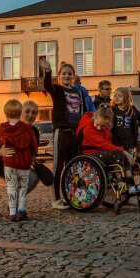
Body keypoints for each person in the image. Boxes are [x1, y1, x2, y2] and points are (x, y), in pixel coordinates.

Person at [0, 101, 41, 218]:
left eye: (34, 113)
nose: (30, 115)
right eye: (27, 111)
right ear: (20, 113)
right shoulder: (6, 128)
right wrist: (1, 152)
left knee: (33, 177)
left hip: (17, 167)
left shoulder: (34, 132)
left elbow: (32, 154)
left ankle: (13, 205)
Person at [40, 59, 86, 209]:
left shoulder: (78, 92)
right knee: (58, 165)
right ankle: (56, 199)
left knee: (72, 166)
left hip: (75, 133)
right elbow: (47, 86)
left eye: (69, 74)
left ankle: (71, 196)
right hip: (62, 131)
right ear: (59, 76)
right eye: (64, 73)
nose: (67, 76)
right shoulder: (57, 90)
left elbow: (82, 111)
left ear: (73, 76)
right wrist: (47, 72)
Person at [76, 105, 138, 194]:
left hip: (102, 152)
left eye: (103, 126)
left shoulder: (106, 128)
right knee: (119, 153)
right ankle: (120, 183)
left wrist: (125, 153)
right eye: (97, 124)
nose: (99, 128)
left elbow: (108, 144)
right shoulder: (88, 129)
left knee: (122, 155)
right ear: (94, 117)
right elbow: (103, 145)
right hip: (91, 155)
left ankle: (130, 183)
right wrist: (123, 151)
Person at [0, 99, 38, 222]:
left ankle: (12, 214)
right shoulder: (26, 128)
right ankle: (21, 211)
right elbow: (33, 144)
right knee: (23, 187)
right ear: (20, 113)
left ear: (6, 114)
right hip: (24, 163)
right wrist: (32, 155)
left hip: (9, 162)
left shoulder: (3, 129)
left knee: (11, 187)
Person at [111, 86, 140, 193]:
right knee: (118, 165)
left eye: (119, 96)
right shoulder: (112, 110)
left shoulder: (132, 109)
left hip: (129, 143)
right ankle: (120, 184)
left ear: (126, 97)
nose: (116, 97)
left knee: (129, 165)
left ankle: (130, 185)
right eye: (115, 95)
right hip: (116, 143)